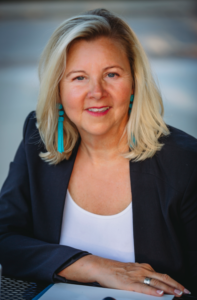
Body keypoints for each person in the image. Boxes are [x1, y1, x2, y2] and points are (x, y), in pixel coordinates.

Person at [0, 8, 196, 298]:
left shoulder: (185, 162)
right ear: (58, 90)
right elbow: (6, 238)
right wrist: (93, 266)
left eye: (112, 74)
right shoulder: (38, 138)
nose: (97, 92)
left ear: (133, 84)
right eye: (79, 77)